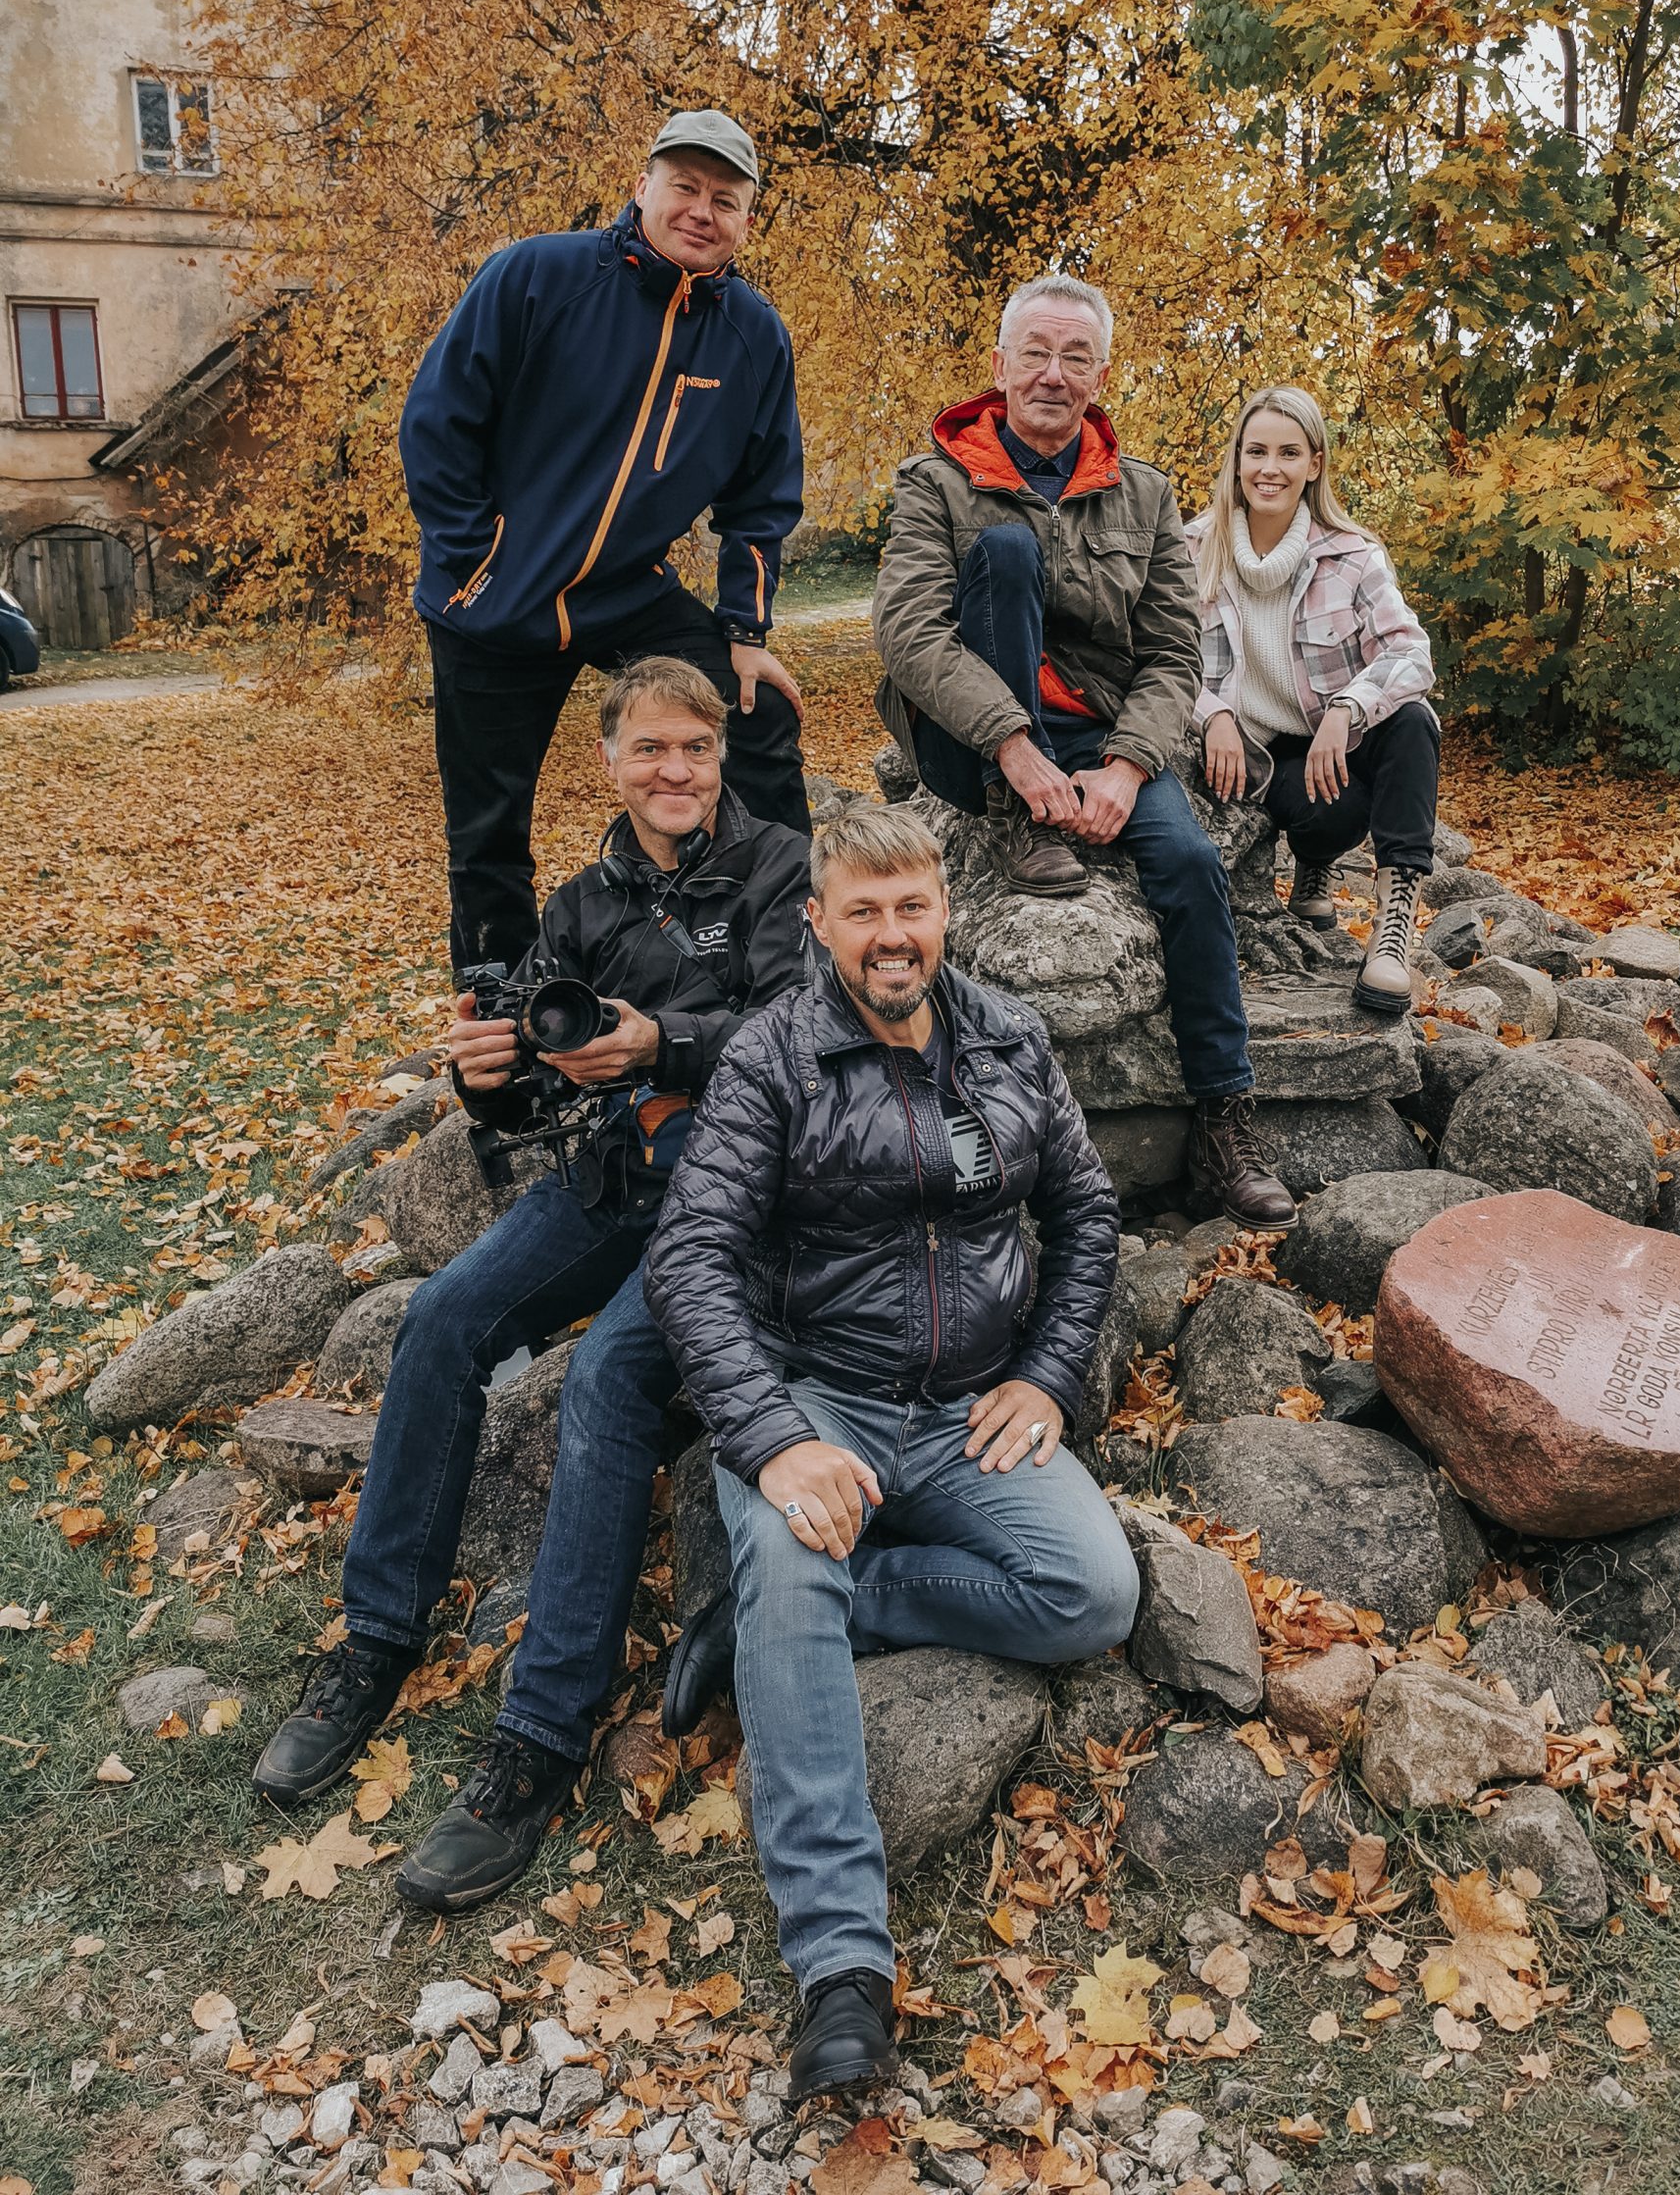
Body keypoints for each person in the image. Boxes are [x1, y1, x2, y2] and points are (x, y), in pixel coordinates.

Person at [251, 658, 812, 1913]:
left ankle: (540, 1737)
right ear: (609, 761)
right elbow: (535, 1094)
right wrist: (487, 1068)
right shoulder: (580, 902)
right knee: (443, 1315)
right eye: (653, 750)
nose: (678, 771)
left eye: (699, 749)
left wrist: (664, 1041)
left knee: (612, 1371)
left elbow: (800, 1034)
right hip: (610, 1179)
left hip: (733, 1193)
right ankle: (376, 1641)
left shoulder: (779, 867)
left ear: (722, 757)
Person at [642, 805, 1139, 2100]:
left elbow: (1086, 1210)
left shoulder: (1011, 1038)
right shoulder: (772, 1058)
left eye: (910, 905)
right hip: (827, 1402)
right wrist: (772, 1441)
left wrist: (1048, 1375)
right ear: (818, 921)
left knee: (1095, 1591)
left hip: (977, 1408)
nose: (891, 935)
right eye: (861, 911)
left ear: (945, 909)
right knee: (796, 1560)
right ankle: (843, 1973)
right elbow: (688, 1262)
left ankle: (780, 1618)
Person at [871, 274, 1296, 1229]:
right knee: (1009, 555)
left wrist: (1131, 764)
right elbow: (909, 633)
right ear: (1001, 364)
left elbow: (1173, 652)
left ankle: (1226, 1124)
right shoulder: (934, 481)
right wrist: (1013, 752)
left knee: (1188, 863)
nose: (1052, 375)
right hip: (969, 735)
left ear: (1101, 374)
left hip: (1099, 731)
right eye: (1036, 353)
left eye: (1075, 358)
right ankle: (1016, 817)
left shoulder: (1144, 495)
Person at [401, 107, 812, 977]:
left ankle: (783, 949)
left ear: (746, 220)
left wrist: (745, 632)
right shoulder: (537, 276)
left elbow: (763, 496)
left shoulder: (754, 337)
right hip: (491, 602)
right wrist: (478, 559)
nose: (702, 210)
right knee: (487, 832)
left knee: (756, 712)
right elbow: (438, 424)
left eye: (726, 199)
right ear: (643, 187)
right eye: (686, 188)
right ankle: (507, 1028)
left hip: (625, 591)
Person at [1189, 385, 1438, 1015]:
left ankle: (1393, 929)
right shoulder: (1192, 551)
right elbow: (1154, 656)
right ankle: (1315, 855)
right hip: (1254, 759)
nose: (1269, 469)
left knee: (1412, 720)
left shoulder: (1353, 556)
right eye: (1256, 452)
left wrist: (1347, 709)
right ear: (1237, 459)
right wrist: (1212, 712)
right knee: (1320, 810)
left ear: (1315, 464)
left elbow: (1411, 653)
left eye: (1289, 453)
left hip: (1334, 741)